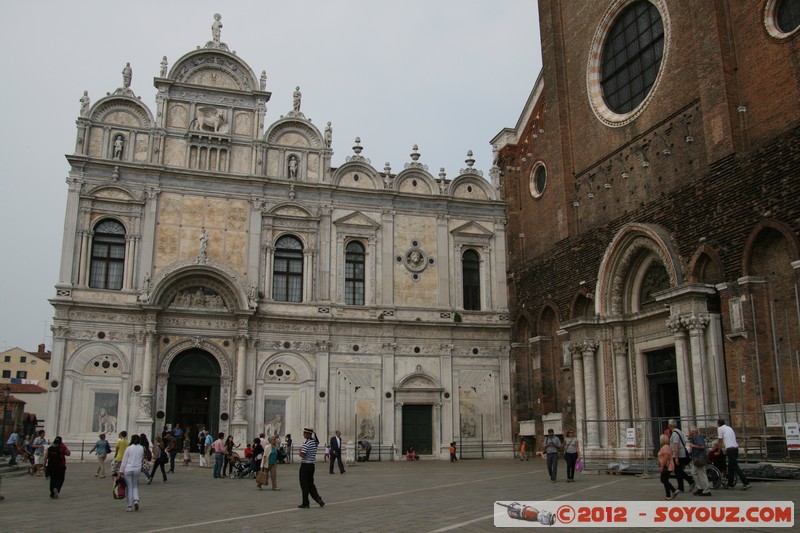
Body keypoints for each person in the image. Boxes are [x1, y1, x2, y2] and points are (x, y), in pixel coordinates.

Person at [717, 419, 751, 490]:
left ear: (718, 424)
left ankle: (746, 482)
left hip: (730, 449)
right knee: (730, 467)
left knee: (735, 467)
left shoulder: (720, 429)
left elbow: (720, 441)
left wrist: (718, 451)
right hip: (735, 448)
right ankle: (730, 484)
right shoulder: (729, 428)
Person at [298, 427, 324, 508]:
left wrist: (299, 452)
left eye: (304, 433)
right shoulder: (314, 442)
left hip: (305, 465)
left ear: (308, 434)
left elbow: (302, 454)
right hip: (312, 466)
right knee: (311, 484)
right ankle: (318, 499)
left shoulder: (307, 443)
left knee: (304, 485)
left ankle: (305, 503)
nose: (303, 434)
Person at [668, 419, 694, 493]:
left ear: (670, 425)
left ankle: (685, 485)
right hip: (681, 454)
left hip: (678, 455)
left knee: (677, 471)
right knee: (678, 471)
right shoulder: (679, 431)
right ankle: (688, 483)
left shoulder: (675, 433)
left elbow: (676, 445)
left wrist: (676, 457)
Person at [119, 434, 144, 511]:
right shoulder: (142, 448)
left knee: (129, 487)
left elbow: (124, 461)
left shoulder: (129, 448)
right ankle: (136, 500)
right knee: (135, 486)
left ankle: (129, 506)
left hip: (128, 469)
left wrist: (121, 471)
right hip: (137, 468)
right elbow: (142, 458)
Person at [687, 427, 711, 496]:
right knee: (693, 472)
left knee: (702, 474)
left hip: (700, 458)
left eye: (690, 431)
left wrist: (693, 445)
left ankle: (706, 490)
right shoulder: (695, 438)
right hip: (697, 459)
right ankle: (700, 488)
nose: (689, 432)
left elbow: (702, 446)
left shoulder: (697, 437)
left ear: (694, 432)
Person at [657, 434, 678, 500]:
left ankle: (669, 494)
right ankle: (673, 491)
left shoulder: (665, 447)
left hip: (666, 466)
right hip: (668, 465)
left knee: (663, 479)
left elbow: (666, 457)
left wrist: (662, 466)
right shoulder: (666, 446)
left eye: (660, 439)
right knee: (665, 480)